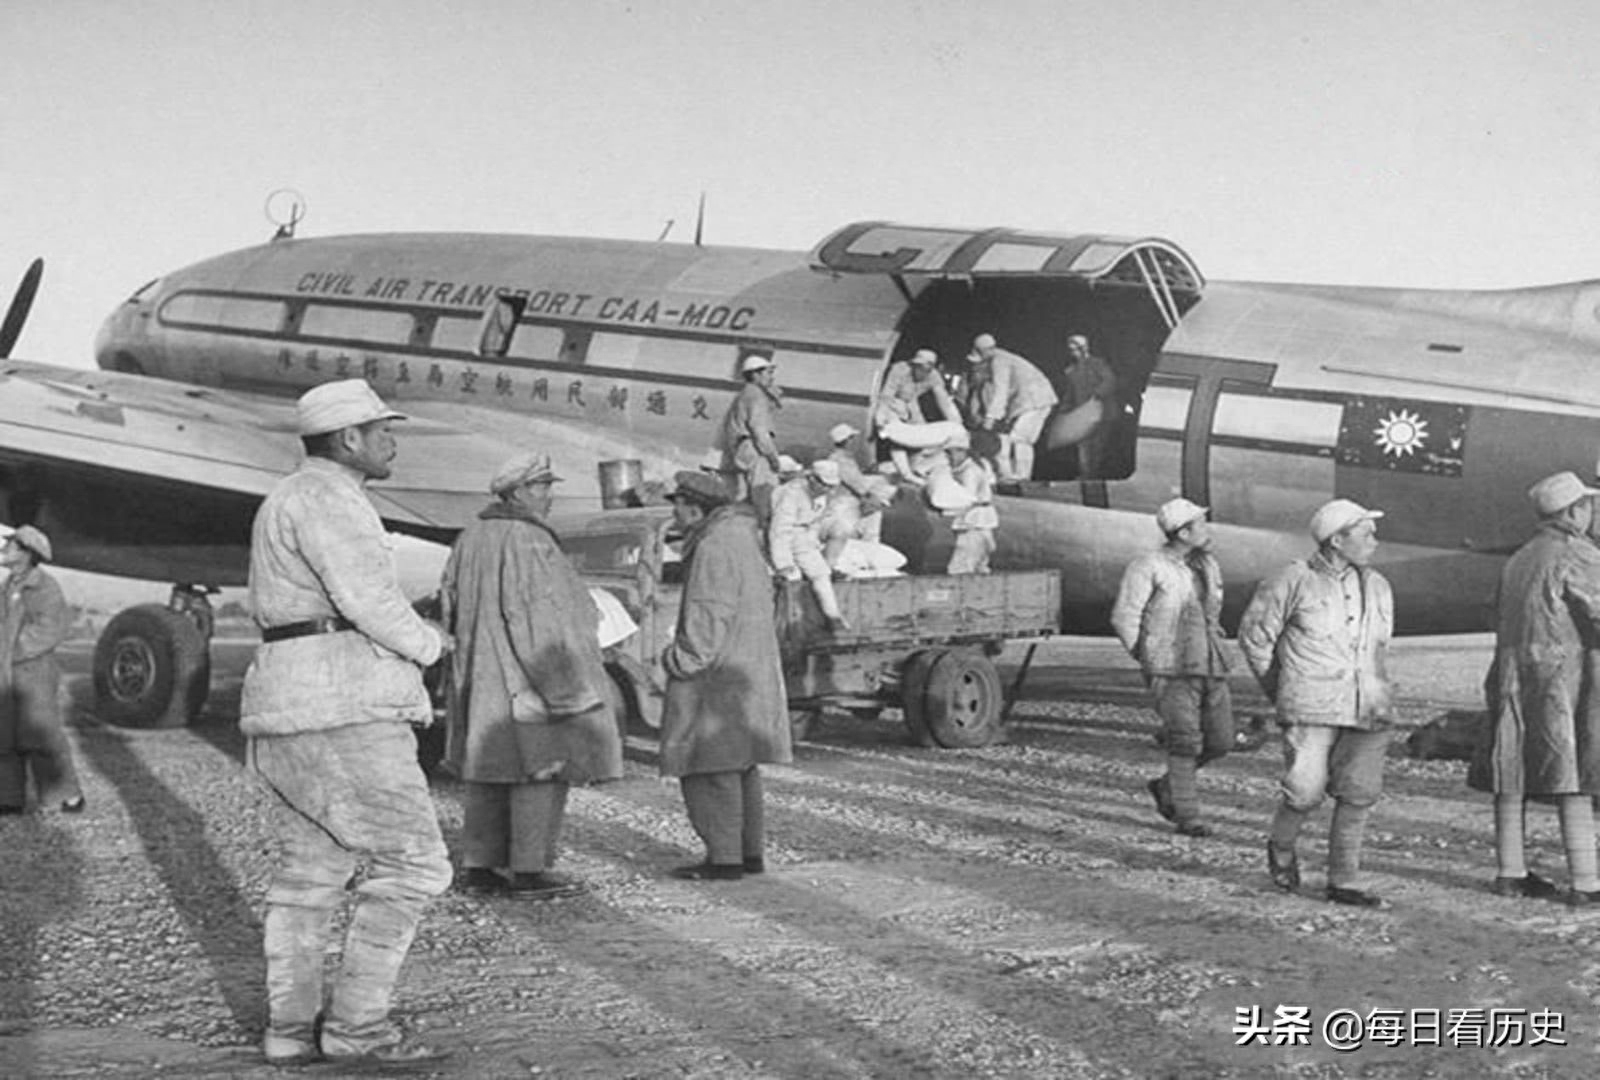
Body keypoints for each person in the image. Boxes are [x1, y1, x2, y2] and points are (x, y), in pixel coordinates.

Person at [241, 379, 454, 1068]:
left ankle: (288, 1031)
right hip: (343, 701)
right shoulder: (329, 498)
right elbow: (369, 601)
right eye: (382, 430)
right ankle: (358, 1029)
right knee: (414, 865)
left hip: (285, 700)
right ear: (348, 438)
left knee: (309, 875)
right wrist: (432, 645)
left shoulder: (287, 497)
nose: (393, 441)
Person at [439, 452, 623, 902]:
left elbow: (449, 604)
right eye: (542, 486)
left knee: (487, 771)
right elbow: (539, 618)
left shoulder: (471, 536)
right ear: (518, 492)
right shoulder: (528, 540)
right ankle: (528, 869)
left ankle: (480, 867)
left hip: (481, 676)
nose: (549, 496)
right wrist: (566, 690)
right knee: (539, 771)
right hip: (528, 676)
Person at [1238, 498, 1394, 908]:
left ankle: (1344, 881)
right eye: (1366, 533)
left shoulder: (1379, 586)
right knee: (1304, 793)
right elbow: (1255, 638)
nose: (1375, 541)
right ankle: (1281, 846)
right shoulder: (1292, 580)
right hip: (1311, 707)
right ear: (1337, 540)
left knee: (1358, 793)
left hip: (1369, 707)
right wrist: (1283, 690)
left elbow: (1380, 647)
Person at [1469, 471, 1600, 904]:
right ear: (1574, 511)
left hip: (1511, 675)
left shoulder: (1520, 557)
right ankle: (1586, 882)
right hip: (1563, 679)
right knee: (1573, 771)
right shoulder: (1577, 553)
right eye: (1589, 506)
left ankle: (1510, 873)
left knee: (1511, 770)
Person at [659, 470, 791, 880]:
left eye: (678, 505)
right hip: (746, 670)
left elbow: (707, 616)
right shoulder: (741, 538)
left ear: (695, 508)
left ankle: (724, 859)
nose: (675, 514)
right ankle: (748, 854)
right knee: (741, 767)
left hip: (717, 679)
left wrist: (677, 660)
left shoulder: (713, 545)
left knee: (708, 769)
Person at [1110, 499, 1233, 837]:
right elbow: (1124, 617)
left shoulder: (1208, 565)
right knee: (1184, 741)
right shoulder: (1147, 566)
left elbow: (1212, 614)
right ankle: (1187, 815)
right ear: (1182, 533)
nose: (1207, 530)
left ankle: (1167, 786)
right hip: (1170, 669)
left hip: (1211, 663)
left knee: (1222, 740)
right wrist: (1148, 655)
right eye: (1200, 524)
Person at [0, 526, 82, 816]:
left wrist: (12, 649)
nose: (4, 549)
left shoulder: (45, 587)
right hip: (6, 672)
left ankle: (65, 795)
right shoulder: (8, 585)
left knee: (41, 735)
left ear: (27, 553)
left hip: (33, 672)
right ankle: (9, 798)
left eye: (11, 545)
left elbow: (50, 629)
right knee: (5, 735)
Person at [965, 333, 1059, 484]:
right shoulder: (992, 370)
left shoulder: (1000, 361)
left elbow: (1000, 393)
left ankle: (1023, 478)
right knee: (1010, 438)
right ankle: (1009, 477)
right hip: (1027, 402)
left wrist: (990, 420)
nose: (976, 369)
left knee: (1021, 437)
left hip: (1037, 399)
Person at [770, 459, 849, 631]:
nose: (828, 489)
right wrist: (783, 563)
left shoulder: (821, 495)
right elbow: (779, 530)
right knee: (792, 577)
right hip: (784, 535)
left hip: (802, 536)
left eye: (831, 486)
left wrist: (813, 545)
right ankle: (790, 628)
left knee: (821, 573)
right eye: (824, 484)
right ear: (812, 478)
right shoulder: (791, 494)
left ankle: (833, 616)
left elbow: (814, 524)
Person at [872, 349, 965, 480]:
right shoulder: (899, 369)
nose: (920, 371)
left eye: (925, 369)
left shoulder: (934, 376)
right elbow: (887, 395)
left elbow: (944, 402)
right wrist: (880, 418)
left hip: (911, 403)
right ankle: (906, 473)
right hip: (894, 402)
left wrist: (958, 425)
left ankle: (916, 467)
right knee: (896, 435)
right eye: (918, 367)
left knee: (920, 431)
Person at [716, 353, 783, 518]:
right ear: (755, 374)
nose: (771, 377)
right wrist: (773, 458)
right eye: (768, 373)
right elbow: (759, 431)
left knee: (745, 495)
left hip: (743, 448)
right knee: (763, 493)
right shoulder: (756, 395)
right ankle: (761, 527)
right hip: (755, 449)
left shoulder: (746, 393)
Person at [939, 429, 999, 575]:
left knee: (960, 566)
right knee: (979, 564)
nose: (948, 457)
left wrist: (947, 510)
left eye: (950, 453)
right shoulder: (976, 466)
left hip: (974, 520)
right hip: (980, 520)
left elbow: (966, 498)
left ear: (962, 452)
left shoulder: (969, 472)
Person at [1058, 334, 1119, 477]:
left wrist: (1095, 395)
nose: (1073, 352)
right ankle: (1087, 476)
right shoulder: (1071, 370)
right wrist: (1063, 411)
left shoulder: (1098, 364)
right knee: (1084, 448)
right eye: (1070, 349)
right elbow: (1070, 394)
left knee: (1097, 449)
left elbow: (1110, 381)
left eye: (1075, 349)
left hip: (1102, 414)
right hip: (1083, 416)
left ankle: (1093, 476)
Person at [826, 422, 873, 497]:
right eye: (852, 437)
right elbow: (856, 485)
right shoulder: (842, 461)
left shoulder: (841, 457)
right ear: (846, 441)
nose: (855, 441)